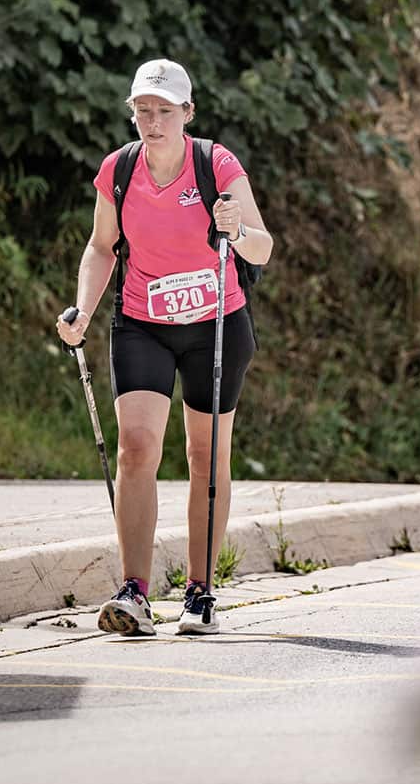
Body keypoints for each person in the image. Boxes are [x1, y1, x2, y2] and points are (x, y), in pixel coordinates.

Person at [54, 59, 274, 637]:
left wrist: (236, 230)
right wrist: (83, 307)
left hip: (215, 326)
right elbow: (102, 247)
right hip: (142, 322)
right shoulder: (119, 170)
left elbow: (263, 248)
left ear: (187, 114)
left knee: (205, 456)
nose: (152, 122)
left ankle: (200, 593)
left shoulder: (216, 164)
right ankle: (134, 593)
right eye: (142, 110)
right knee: (136, 448)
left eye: (164, 111)